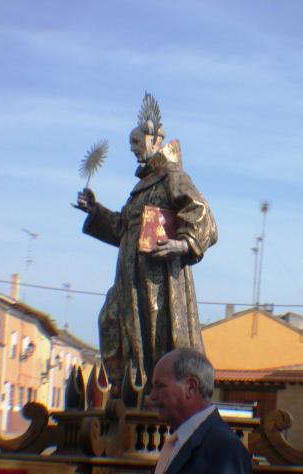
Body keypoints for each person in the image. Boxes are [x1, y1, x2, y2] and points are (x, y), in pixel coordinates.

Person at [76, 92, 217, 407]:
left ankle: (153, 394)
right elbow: (124, 229)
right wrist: (96, 210)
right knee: (111, 319)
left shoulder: (173, 177)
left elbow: (202, 214)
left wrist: (182, 243)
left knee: (154, 335)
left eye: (136, 142)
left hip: (157, 280)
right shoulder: (142, 187)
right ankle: (124, 389)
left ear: (154, 140)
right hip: (129, 279)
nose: (132, 148)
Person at [149, 348, 253, 474]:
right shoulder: (178, 442)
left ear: (191, 387)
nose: (152, 396)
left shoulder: (224, 449)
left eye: (160, 386)